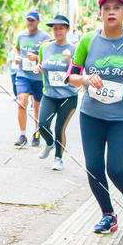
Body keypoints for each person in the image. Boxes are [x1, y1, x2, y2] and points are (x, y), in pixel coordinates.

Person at [67, 0, 123, 234]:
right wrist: (85, 79)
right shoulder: (87, 41)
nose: (111, 11)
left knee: (116, 168)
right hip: (91, 115)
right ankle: (108, 215)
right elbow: (71, 76)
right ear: (100, 13)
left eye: (116, 7)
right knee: (93, 167)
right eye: (106, 8)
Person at [36, 14, 78, 170]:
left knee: (59, 128)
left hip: (68, 96)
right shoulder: (45, 47)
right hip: (49, 95)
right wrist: (38, 68)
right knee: (42, 125)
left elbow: (78, 73)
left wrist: (69, 60)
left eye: (61, 28)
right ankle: (49, 144)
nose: (57, 31)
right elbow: (41, 64)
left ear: (67, 29)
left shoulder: (74, 49)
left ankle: (58, 158)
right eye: (55, 28)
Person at [14, 11, 50, 147]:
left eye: (33, 20)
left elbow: (50, 54)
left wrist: (37, 58)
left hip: (39, 77)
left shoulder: (45, 37)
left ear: (38, 22)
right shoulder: (21, 35)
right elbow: (17, 49)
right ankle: (22, 134)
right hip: (23, 74)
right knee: (21, 101)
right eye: (28, 20)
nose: (30, 22)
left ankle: (36, 132)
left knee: (37, 106)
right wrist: (17, 57)